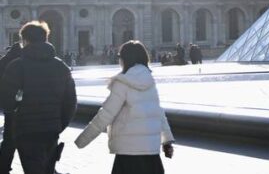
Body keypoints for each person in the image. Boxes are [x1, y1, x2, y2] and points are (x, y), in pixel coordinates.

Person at [75, 41, 175, 174]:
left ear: (126, 59)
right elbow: (158, 113)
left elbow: (106, 115)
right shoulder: (149, 80)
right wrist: (167, 141)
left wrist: (82, 140)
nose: (119, 60)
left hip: (128, 154)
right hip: (151, 154)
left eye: (120, 57)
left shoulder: (123, 82)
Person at [0, 21, 77, 174]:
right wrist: (59, 124)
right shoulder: (61, 67)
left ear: (24, 40)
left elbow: (6, 102)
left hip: (25, 130)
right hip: (51, 130)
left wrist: (15, 119)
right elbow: (70, 102)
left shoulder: (16, 66)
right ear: (46, 38)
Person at [0, 34, 22, 173]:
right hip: (30, 107)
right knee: (38, 142)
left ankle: (3, 167)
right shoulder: (27, 60)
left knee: (9, 140)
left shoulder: (4, 60)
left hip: (11, 108)